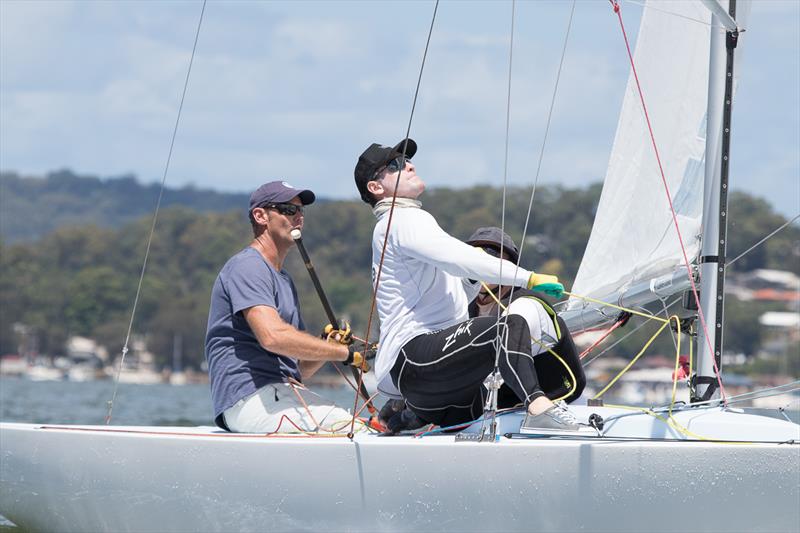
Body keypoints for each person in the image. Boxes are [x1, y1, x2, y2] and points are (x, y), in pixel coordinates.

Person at [355, 138, 588, 433]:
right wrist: (527, 277)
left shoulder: (406, 224)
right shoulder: (400, 219)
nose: (410, 165)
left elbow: (455, 295)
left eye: (408, 161)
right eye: (395, 165)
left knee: (473, 407)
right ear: (376, 188)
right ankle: (539, 408)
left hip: (430, 377)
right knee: (508, 328)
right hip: (411, 360)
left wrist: (470, 278)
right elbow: (457, 258)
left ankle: (403, 419)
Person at [204, 180, 373, 434]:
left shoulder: (283, 279)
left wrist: (328, 345)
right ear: (261, 216)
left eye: (301, 211)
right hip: (250, 398)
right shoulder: (247, 267)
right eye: (288, 210)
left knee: (364, 426)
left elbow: (297, 368)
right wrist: (344, 354)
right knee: (354, 430)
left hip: (281, 394)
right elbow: (272, 337)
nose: (299, 217)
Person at [464, 226, 586, 406]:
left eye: (492, 255)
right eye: (475, 255)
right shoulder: (463, 307)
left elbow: (507, 340)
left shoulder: (527, 305)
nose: (483, 263)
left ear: (510, 267)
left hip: (560, 404)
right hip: (502, 414)